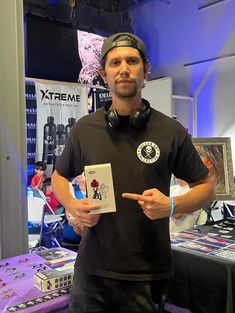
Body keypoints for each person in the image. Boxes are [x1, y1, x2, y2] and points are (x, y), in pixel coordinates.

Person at [51, 32, 215, 313]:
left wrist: (172, 204)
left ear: (145, 71)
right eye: (115, 63)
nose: (124, 68)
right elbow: (58, 177)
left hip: (146, 275)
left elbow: (206, 187)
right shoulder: (84, 129)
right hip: (91, 273)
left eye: (132, 61)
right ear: (104, 74)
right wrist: (73, 205)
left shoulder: (171, 132)